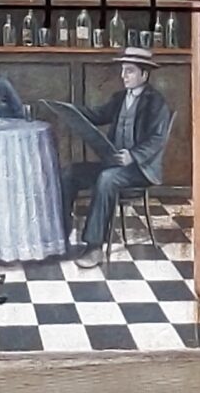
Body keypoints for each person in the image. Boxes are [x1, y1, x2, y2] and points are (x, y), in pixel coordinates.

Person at [61, 50, 173, 259]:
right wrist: (70, 110)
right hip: (114, 164)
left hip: (140, 169)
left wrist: (132, 155)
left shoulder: (156, 103)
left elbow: (157, 140)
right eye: (123, 71)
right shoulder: (120, 98)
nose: (123, 76)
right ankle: (61, 235)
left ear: (144, 74)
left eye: (129, 71)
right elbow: (97, 115)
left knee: (107, 179)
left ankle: (94, 247)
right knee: (69, 173)